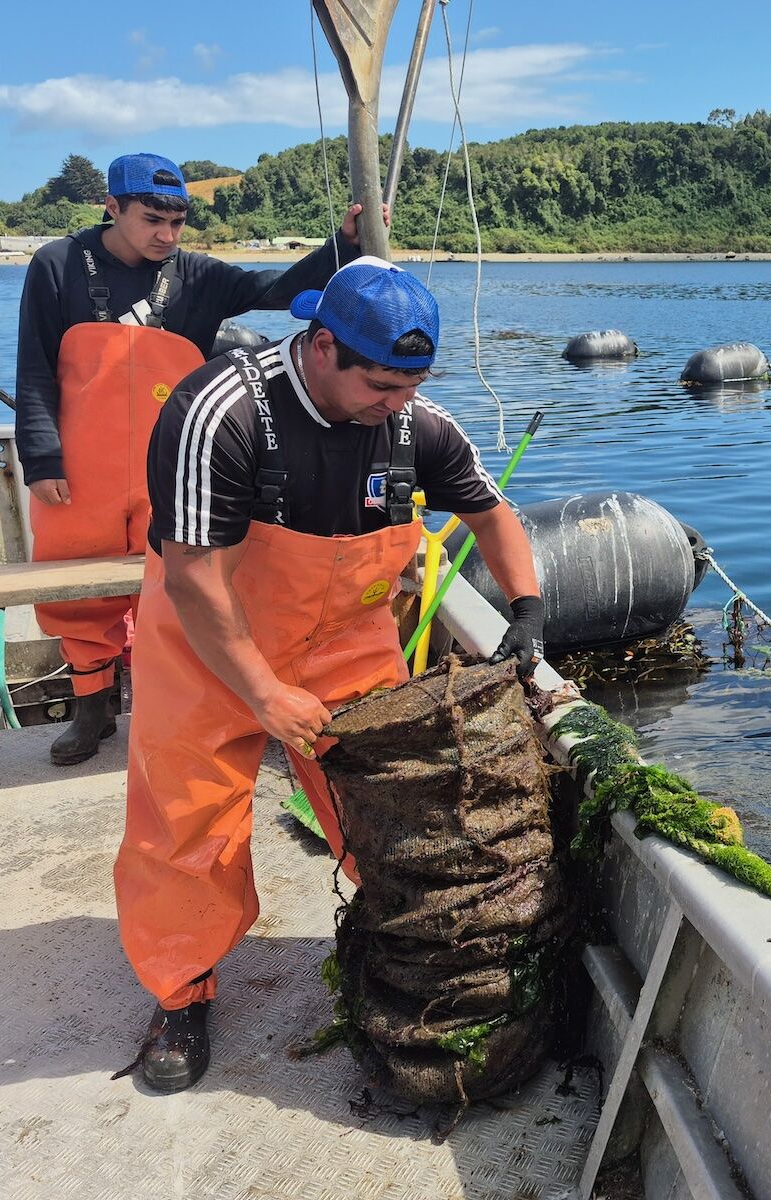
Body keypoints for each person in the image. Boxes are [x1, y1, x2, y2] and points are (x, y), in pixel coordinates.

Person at [113, 256, 545, 1093]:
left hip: (346, 645)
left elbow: (492, 515)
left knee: (391, 804)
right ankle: (181, 990)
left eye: (415, 381)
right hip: (206, 647)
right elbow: (195, 579)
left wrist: (526, 609)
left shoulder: (419, 425)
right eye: (383, 383)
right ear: (321, 348)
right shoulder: (223, 411)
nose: (400, 401)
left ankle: (398, 950)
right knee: (186, 823)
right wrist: (265, 694)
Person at [14, 151, 382, 766]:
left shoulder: (195, 274)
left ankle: (168, 703)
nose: (166, 235)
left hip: (170, 459)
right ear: (112, 207)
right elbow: (34, 367)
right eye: (152, 220)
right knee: (76, 594)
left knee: (171, 583)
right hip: (81, 464)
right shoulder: (56, 264)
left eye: (176, 222)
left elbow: (277, 289)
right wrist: (42, 457)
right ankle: (92, 710)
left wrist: (340, 245)